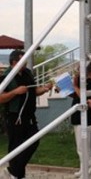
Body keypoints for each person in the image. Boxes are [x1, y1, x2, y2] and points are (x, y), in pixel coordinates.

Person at [0, 50, 53, 179]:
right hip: (14, 116)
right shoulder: (5, 77)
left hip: (29, 115)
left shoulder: (28, 73)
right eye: (23, 60)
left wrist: (44, 89)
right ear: (14, 62)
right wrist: (15, 92)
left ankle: (14, 171)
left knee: (34, 140)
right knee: (16, 145)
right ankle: (18, 174)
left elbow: (34, 91)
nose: (26, 63)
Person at [70, 69, 91, 178]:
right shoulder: (81, 82)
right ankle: (83, 168)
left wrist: (75, 86)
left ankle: (88, 172)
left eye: (78, 70)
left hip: (85, 118)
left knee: (85, 147)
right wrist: (66, 90)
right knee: (80, 148)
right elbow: (76, 96)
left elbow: (84, 97)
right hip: (77, 117)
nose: (76, 72)